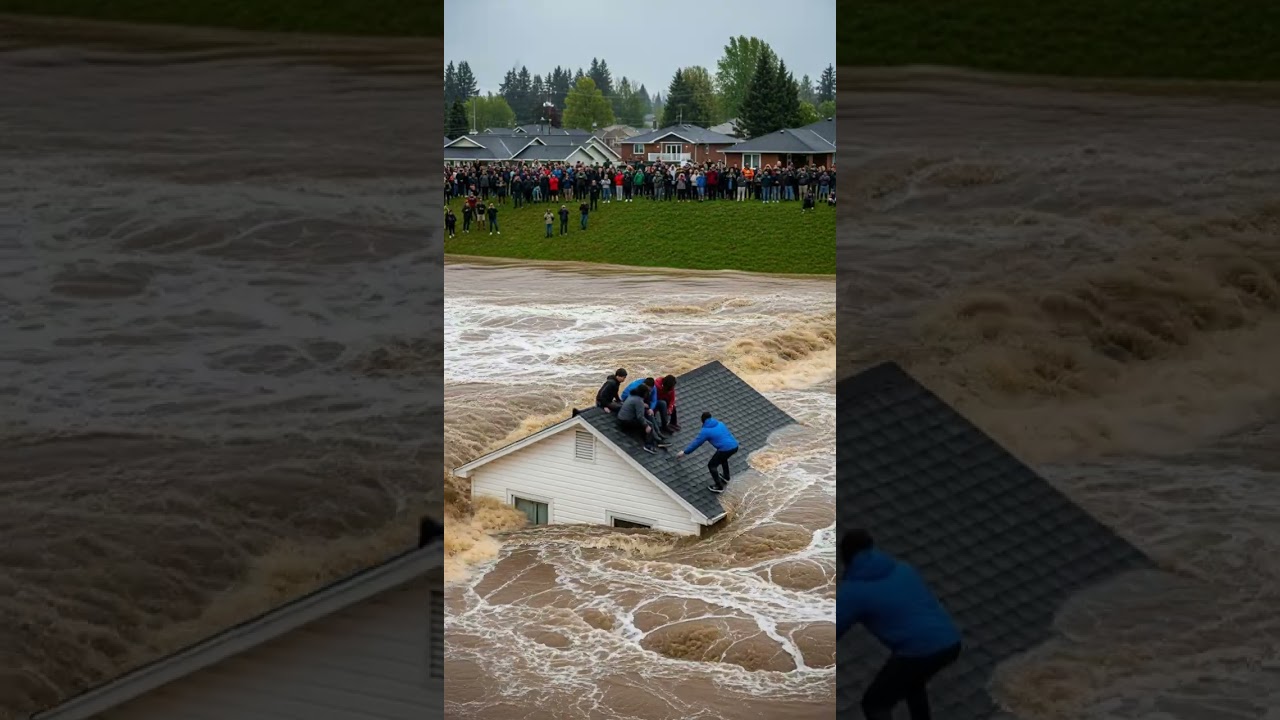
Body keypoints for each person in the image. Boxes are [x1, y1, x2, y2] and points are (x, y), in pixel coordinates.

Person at [837, 530, 962, 720]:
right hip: (950, 641)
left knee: (875, 702)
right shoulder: (902, 568)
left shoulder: (854, 591)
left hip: (919, 649)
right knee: (912, 682)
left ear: (845, 557)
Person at [676, 412, 739, 493]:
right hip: (735, 446)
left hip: (725, 449)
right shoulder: (720, 423)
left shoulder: (705, 431)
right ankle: (726, 477)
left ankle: (719, 486)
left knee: (712, 465)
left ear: (703, 420)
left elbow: (696, 443)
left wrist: (685, 452)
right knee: (723, 458)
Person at [616, 384, 667, 453]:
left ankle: (657, 441)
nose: (648, 394)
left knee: (649, 423)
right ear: (643, 393)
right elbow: (640, 417)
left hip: (621, 418)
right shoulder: (639, 401)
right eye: (647, 392)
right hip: (626, 421)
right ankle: (648, 445)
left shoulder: (632, 396)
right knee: (649, 425)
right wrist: (646, 426)